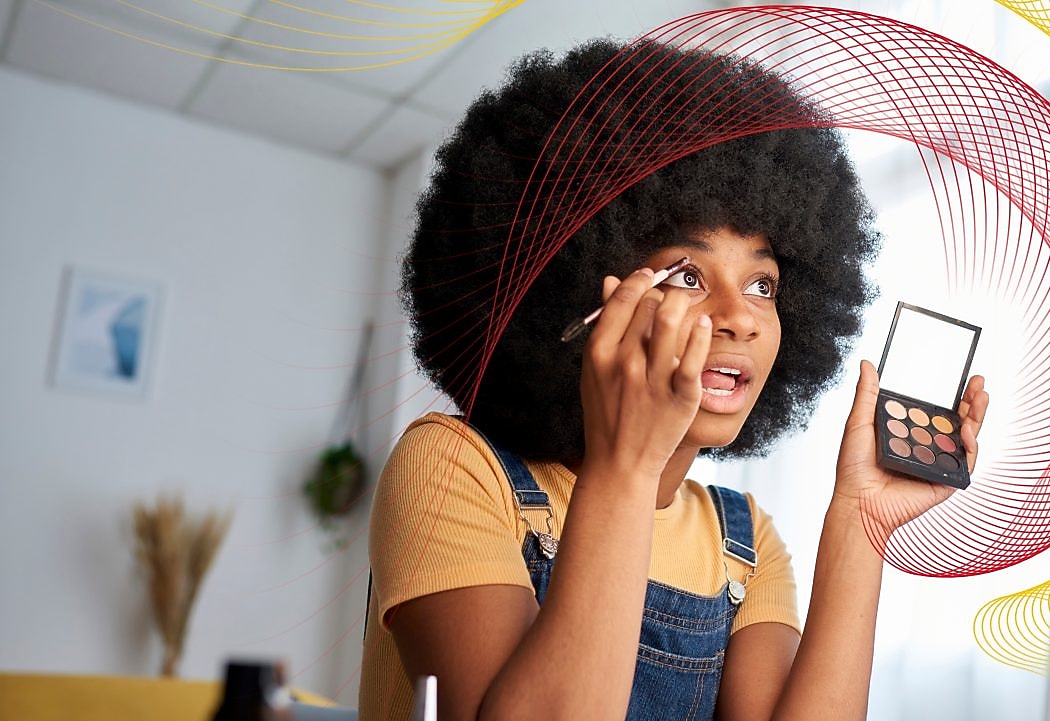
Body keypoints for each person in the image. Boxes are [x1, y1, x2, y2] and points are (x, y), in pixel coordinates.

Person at [358, 38, 988, 721]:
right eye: (688, 276)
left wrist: (862, 524)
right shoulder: (454, 467)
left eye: (762, 283)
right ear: (586, 295)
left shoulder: (742, 542)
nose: (740, 318)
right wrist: (627, 465)